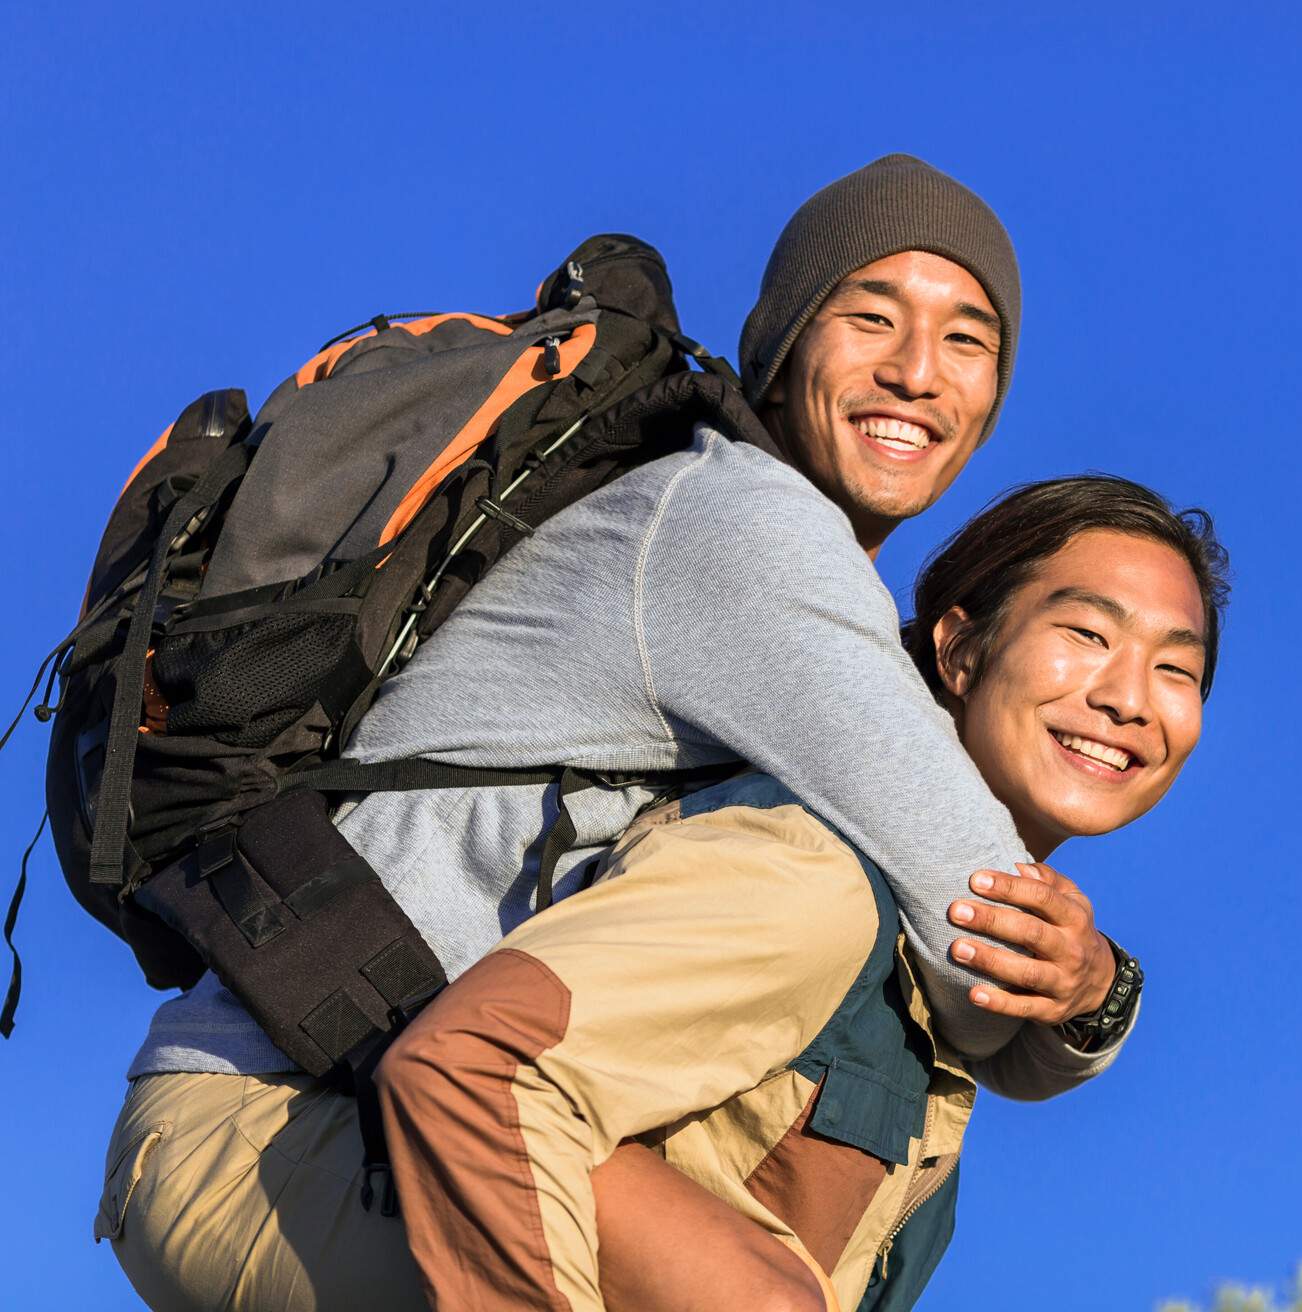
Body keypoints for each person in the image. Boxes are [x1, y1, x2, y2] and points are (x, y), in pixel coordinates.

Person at [100, 476, 1230, 1311]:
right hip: (267, 1133)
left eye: (1177, 670)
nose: (1129, 696)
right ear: (959, 648)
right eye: (1085, 634)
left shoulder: (938, 984)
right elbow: (473, 1069)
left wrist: (1097, 989)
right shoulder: (808, 867)